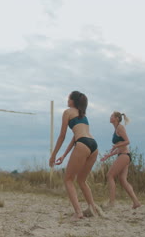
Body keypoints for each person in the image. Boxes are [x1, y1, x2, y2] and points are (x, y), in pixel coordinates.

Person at [49, 91, 101, 219]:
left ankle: (78, 213)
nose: (67, 100)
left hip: (83, 144)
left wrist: (53, 155)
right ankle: (93, 208)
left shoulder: (68, 112)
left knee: (68, 179)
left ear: (73, 101)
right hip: (93, 145)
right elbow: (75, 138)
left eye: (68, 98)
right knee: (82, 180)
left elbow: (62, 136)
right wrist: (64, 155)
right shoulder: (83, 114)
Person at [100, 112, 141, 209]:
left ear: (117, 118)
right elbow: (120, 148)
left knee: (110, 175)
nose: (110, 117)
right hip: (123, 154)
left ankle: (112, 203)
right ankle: (136, 202)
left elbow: (127, 141)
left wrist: (116, 146)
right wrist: (109, 155)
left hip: (124, 155)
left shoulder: (120, 128)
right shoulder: (116, 129)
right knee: (123, 180)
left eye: (112, 116)